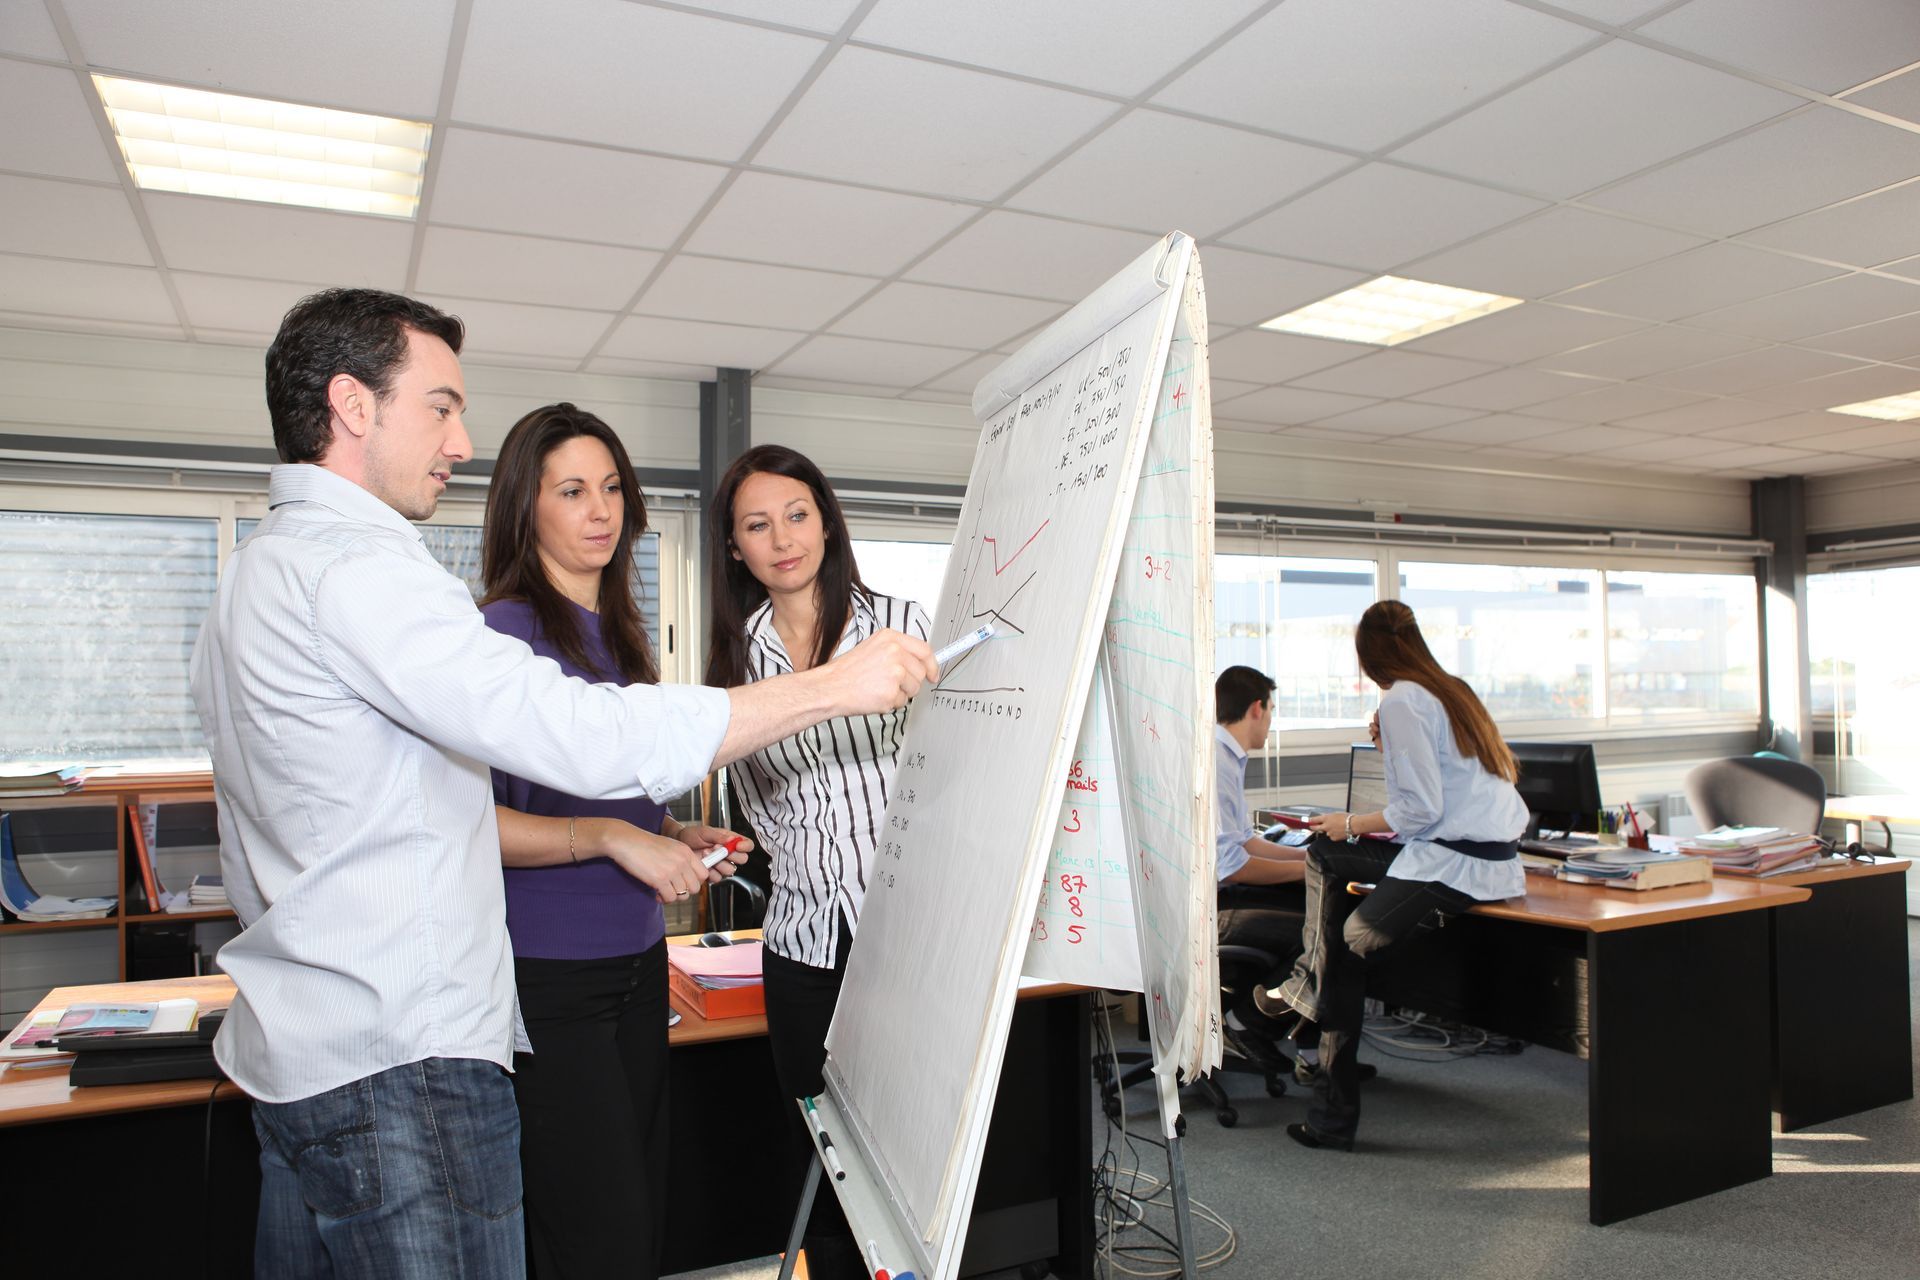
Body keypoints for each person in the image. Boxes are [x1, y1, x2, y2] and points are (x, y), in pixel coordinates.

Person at [191, 289, 936, 1279]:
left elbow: (407, 799)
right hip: (401, 1061)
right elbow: (575, 737)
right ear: (353, 404)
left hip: (314, 1054)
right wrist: (832, 686)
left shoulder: (258, 572)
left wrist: (652, 823)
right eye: (442, 405)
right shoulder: (364, 574)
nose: (459, 438)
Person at [477, 403, 744, 1279]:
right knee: (599, 1238)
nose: (602, 509)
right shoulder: (501, 634)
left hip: (637, 972)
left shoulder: (623, 637)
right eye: (572, 490)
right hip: (549, 983)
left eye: (613, 489)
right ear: (527, 507)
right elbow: (471, 824)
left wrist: (666, 829)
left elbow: (600, 792)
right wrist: (606, 838)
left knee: (639, 1221)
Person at [703, 444, 929, 1280]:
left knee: (914, 1159)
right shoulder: (735, 666)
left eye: (797, 515)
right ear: (735, 548)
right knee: (822, 1161)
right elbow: (759, 807)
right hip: (800, 947)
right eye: (757, 525)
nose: (782, 538)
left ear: (827, 523)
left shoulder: (903, 630)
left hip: (903, 938)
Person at [1273, 599, 1528, 1152]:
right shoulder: (1449, 689)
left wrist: (1349, 823)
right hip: (1490, 858)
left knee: (1340, 908)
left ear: (1369, 656)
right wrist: (1391, 752)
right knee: (1332, 902)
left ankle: (1307, 990)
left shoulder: (1403, 700)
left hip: (1454, 862)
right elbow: (1447, 789)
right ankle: (1314, 1003)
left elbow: (1419, 811)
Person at [1212, 665, 1308, 1073]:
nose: (1270, 722)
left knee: (1316, 907)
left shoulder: (1225, 754)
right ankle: (1244, 1024)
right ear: (1256, 708)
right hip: (1210, 908)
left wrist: (1310, 858)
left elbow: (1244, 841)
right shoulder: (1214, 761)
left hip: (1216, 894)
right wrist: (1311, 871)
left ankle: (1312, 1052)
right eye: (1271, 712)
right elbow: (1230, 865)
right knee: (1323, 932)